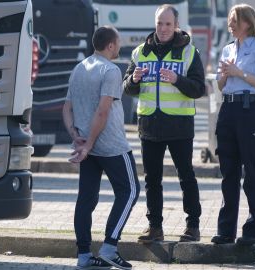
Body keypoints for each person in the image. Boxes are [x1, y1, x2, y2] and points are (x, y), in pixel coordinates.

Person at [123, 4, 205, 243]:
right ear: (155, 23)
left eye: (168, 24)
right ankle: (155, 227)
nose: (163, 28)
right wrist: (134, 80)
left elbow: (199, 89)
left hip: (179, 125)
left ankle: (193, 226)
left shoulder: (190, 52)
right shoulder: (141, 52)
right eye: (160, 23)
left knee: (186, 177)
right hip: (149, 125)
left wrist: (178, 79)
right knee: (152, 179)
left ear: (176, 25)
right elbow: (127, 87)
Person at [63, 26, 140, 270]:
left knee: (85, 200)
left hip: (86, 145)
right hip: (112, 146)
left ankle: (84, 256)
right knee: (130, 192)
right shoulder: (111, 70)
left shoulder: (79, 68)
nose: (119, 47)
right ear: (110, 46)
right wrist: (90, 144)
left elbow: (66, 108)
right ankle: (109, 247)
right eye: (117, 43)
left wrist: (76, 137)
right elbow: (103, 111)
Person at [211, 3, 255, 246]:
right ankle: (225, 229)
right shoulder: (226, 49)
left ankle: (253, 230)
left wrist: (240, 73)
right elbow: (219, 84)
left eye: (234, 19)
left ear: (247, 22)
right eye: (229, 18)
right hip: (228, 109)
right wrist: (226, 75)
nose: (230, 23)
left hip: (250, 110)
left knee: (252, 172)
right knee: (229, 172)